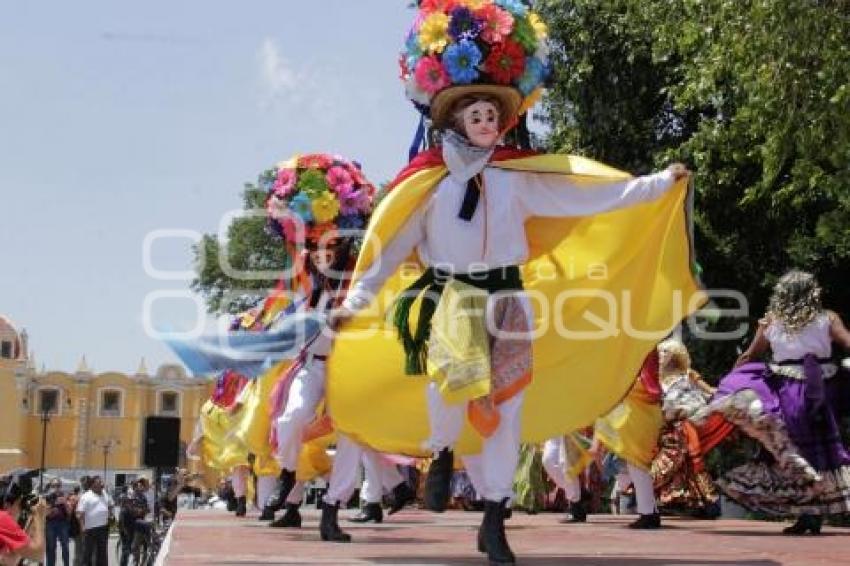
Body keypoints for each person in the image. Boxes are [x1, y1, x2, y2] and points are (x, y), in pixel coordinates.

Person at [714, 270, 850, 534]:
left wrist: (728, 385)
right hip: (820, 387)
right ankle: (810, 513)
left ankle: (807, 513)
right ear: (812, 293)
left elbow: (750, 356)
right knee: (818, 451)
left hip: (786, 389)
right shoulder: (827, 318)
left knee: (790, 449)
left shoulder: (770, 322)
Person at [0, 476, 47, 565]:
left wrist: (31, 521)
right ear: (6, 505)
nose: (21, 511)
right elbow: (38, 554)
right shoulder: (2, 518)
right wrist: (39, 519)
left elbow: (12, 560)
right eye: (19, 505)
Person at [75, 476, 112, 566]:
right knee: (87, 553)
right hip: (90, 529)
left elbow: (110, 504)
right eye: (99, 482)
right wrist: (82, 527)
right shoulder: (86, 496)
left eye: (101, 482)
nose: (101, 483)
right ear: (93, 485)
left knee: (102, 553)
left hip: (103, 527)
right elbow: (79, 513)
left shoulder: (104, 493)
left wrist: (110, 514)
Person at [44, 478, 71, 566]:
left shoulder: (64, 496)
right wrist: (52, 507)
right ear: (50, 487)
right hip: (50, 524)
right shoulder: (47, 497)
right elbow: (44, 513)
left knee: (65, 547)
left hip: (62, 523)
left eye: (58, 486)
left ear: (61, 487)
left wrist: (65, 503)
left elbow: (70, 512)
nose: (56, 488)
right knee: (51, 547)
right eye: (54, 486)